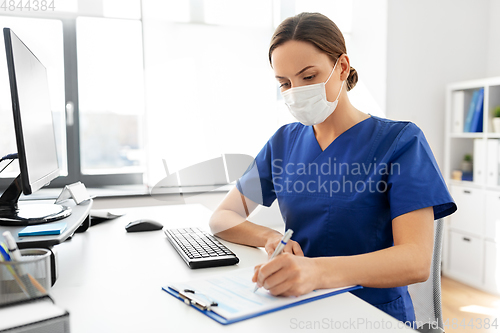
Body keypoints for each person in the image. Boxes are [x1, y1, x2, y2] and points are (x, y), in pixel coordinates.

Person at [209, 12, 456, 325]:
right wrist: (269, 238)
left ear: (341, 67)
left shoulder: (400, 142)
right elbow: (222, 217)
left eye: (308, 77)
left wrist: (316, 272)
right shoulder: (284, 142)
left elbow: (416, 260)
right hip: (299, 306)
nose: (295, 91)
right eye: (284, 83)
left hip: (374, 315)